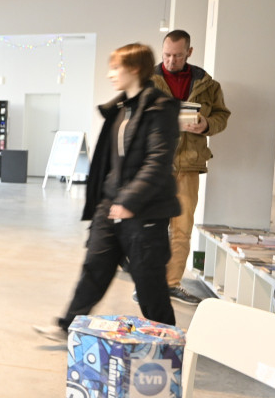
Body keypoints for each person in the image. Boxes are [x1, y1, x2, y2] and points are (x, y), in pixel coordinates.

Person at [34, 43, 181, 342]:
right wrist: (109, 201)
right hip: (110, 206)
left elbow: (158, 161)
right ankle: (67, 327)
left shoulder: (159, 108)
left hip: (145, 211)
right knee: (94, 268)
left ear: (135, 69)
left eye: (116, 67)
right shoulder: (120, 109)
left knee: (148, 281)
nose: (110, 73)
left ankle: (168, 340)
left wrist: (130, 201)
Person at [151, 29, 230, 305]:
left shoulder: (209, 85)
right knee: (152, 227)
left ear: (189, 53)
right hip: (155, 165)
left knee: (182, 228)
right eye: (167, 55)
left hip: (189, 165)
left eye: (177, 55)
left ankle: (171, 283)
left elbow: (222, 116)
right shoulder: (148, 81)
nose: (171, 61)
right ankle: (148, 283)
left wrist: (206, 124)